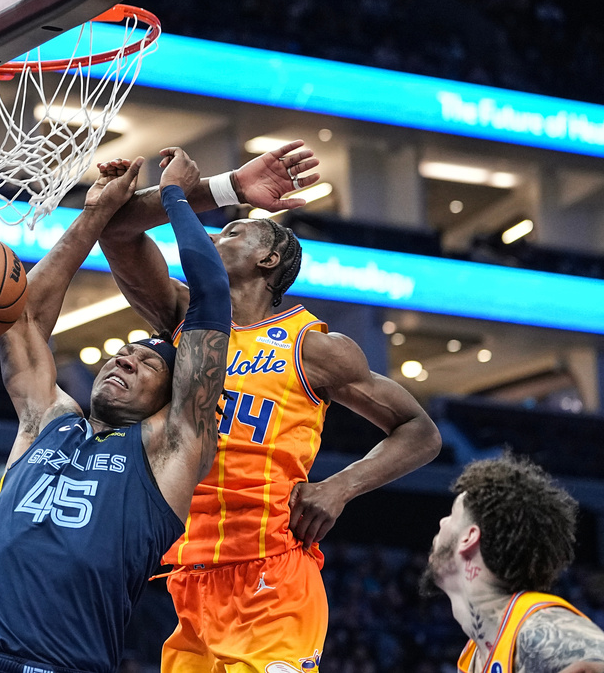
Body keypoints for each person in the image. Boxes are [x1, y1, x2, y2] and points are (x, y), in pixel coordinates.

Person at [97, 141, 442, 671]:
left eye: (232, 231)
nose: (213, 235)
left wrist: (340, 486)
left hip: (272, 575)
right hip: (189, 578)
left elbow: (420, 431)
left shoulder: (312, 346)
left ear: (269, 257)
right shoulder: (184, 315)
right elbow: (117, 230)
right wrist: (222, 188)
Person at [0, 148, 232, 673]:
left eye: (147, 362)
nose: (125, 357)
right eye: (124, 351)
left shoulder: (171, 448)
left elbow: (211, 303)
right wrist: (94, 214)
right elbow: (24, 317)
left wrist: (176, 198)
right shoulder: (47, 423)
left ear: (173, 399)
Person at [422, 454, 604, 673]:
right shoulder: (475, 656)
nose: (442, 522)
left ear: (468, 538)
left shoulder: (537, 627)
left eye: (451, 515)